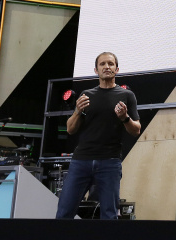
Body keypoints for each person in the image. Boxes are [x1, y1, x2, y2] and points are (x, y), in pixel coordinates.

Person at [55, 52, 141, 219]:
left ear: (116, 69)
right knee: (64, 212)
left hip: (109, 162)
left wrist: (125, 118)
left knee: (109, 215)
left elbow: (136, 129)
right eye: (102, 64)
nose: (106, 67)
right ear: (96, 70)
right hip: (81, 161)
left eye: (110, 64)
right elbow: (70, 129)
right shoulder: (87, 95)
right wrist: (78, 111)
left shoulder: (127, 96)